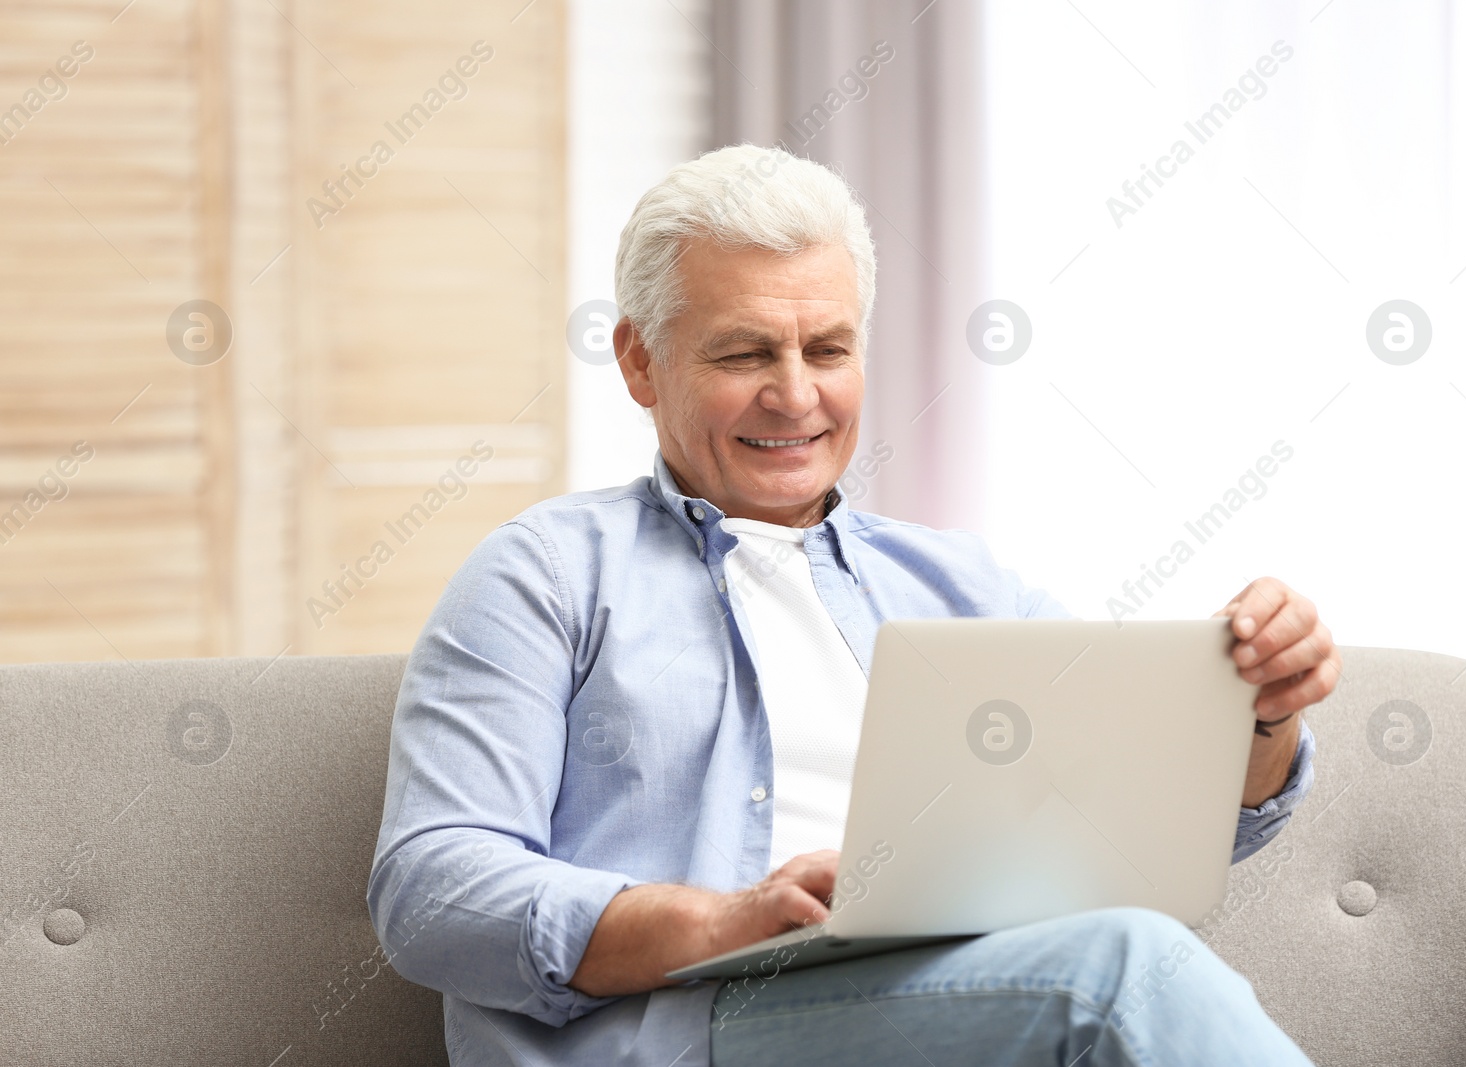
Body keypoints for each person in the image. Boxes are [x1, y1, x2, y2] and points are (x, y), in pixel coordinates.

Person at [367, 143, 1339, 1066]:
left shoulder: (961, 585)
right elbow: (430, 889)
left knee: (1122, 956)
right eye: (744, 354)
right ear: (638, 361)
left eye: (826, 348)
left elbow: (1163, 826)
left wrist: (1258, 712)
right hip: (685, 1030)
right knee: (1115, 968)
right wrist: (716, 920)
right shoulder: (544, 573)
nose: (795, 396)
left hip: (963, 1007)